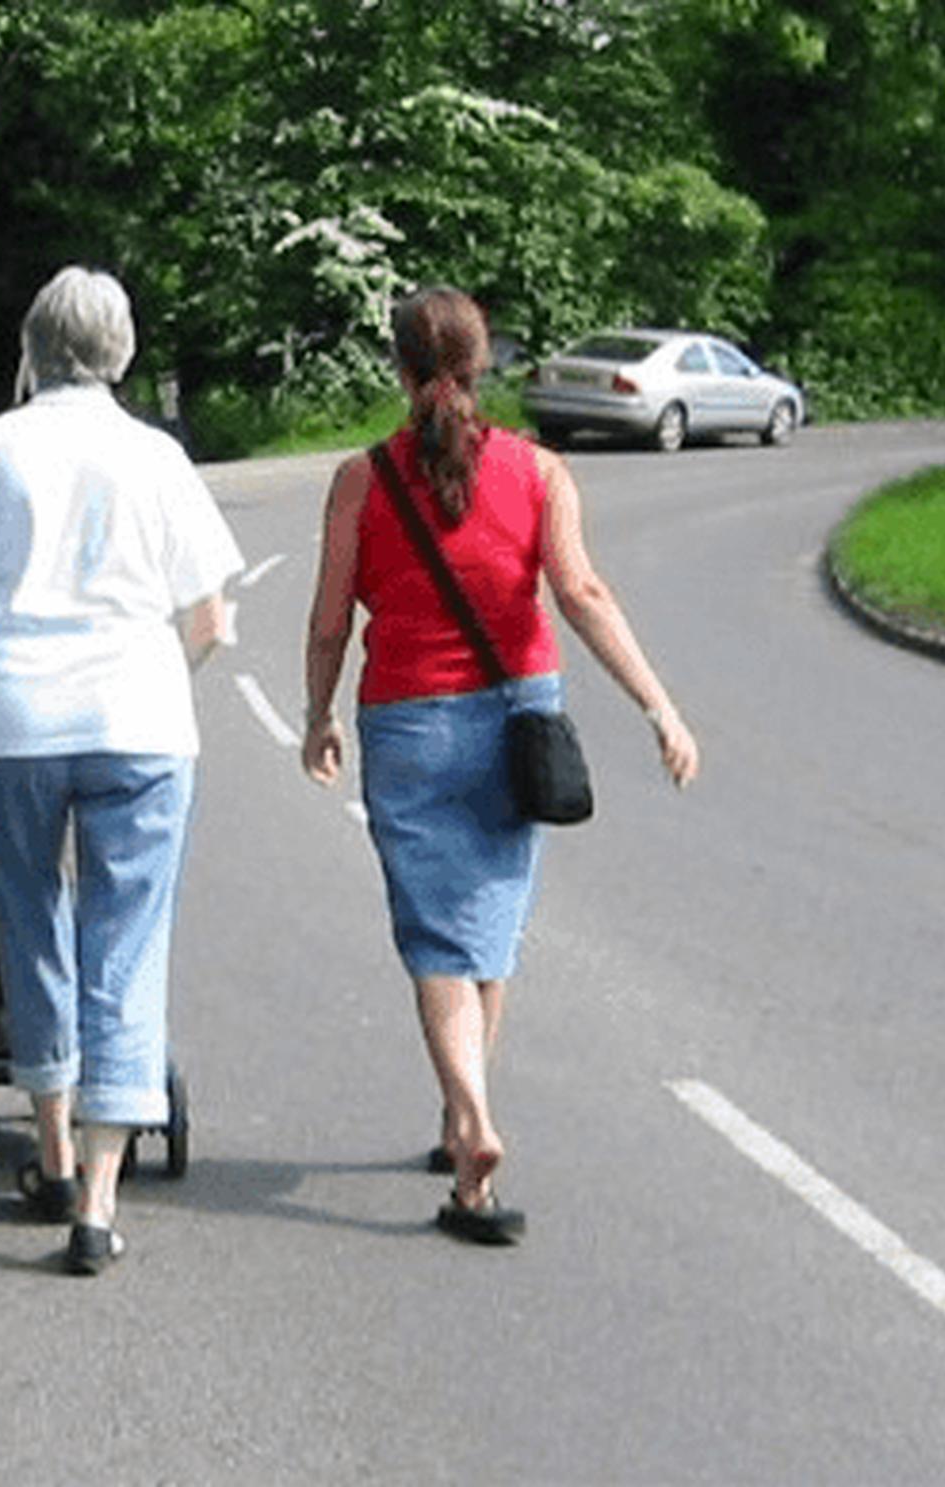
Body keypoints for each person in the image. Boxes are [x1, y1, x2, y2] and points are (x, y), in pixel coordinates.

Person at [299, 286, 699, 1245]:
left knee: (440, 936)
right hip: (519, 718)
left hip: (406, 723)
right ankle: (458, 1123)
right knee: (490, 920)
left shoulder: (361, 480)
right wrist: (659, 703)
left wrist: (316, 715)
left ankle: (470, 1121)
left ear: (398, 373)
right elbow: (583, 591)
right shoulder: (539, 472)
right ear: (486, 368)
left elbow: (329, 620)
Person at [0, 266, 243, 1276]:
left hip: (14, 720)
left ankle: (46, 1151)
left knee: (31, 924)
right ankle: (96, 1200)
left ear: (33, 350)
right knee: (126, 943)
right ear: (122, 353)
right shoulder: (159, 459)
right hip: (139, 719)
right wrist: (143, 681)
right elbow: (211, 617)